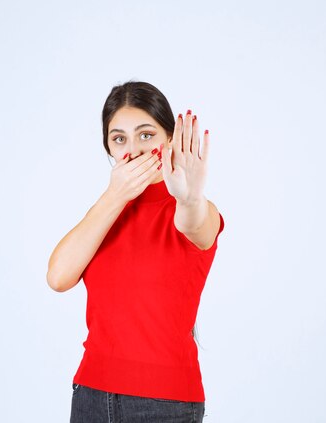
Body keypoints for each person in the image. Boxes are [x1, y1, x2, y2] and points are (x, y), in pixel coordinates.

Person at [47, 80, 225, 423]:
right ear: (108, 148)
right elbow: (57, 277)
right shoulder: (105, 214)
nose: (133, 150)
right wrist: (115, 196)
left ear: (170, 139)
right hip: (91, 396)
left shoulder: (190, 209)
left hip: (165, 403)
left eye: (146, 135)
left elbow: (197, 223)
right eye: (119, 139)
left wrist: (189, 197)